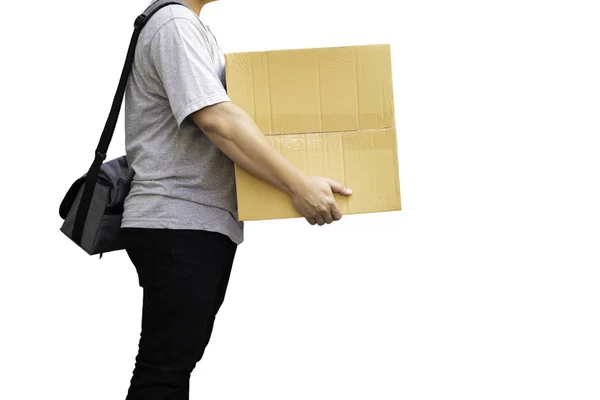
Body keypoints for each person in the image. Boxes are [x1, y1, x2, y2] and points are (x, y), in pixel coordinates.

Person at [120, 0, 353, 398]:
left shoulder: (192, 27)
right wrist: (296, 184)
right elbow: (218, 119)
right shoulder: (174, 23)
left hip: (200, 222)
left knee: (175, 365)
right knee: (164, 372)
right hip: (179, 220)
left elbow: (232, 116)